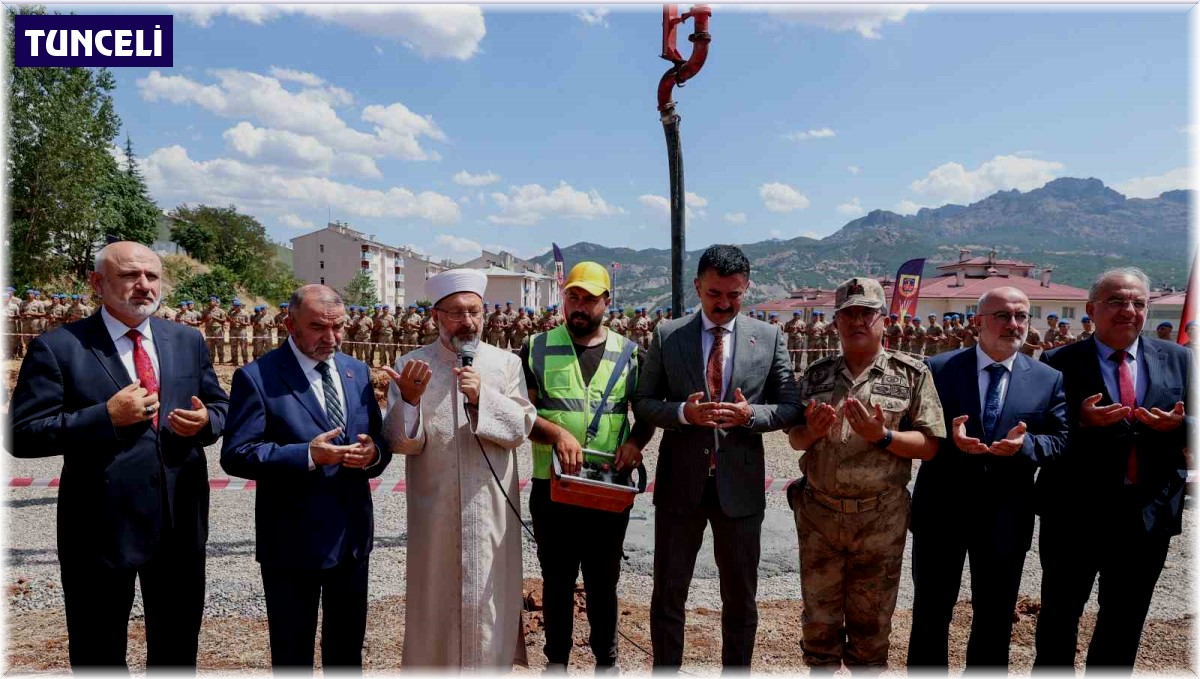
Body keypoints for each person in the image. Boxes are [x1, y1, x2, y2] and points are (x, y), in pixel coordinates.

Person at [8, 241, 229, 669]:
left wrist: (208, 424)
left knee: (177, 648)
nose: (144, 285)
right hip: (100, 530)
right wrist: (105, 417)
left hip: (178, 523)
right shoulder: (59, 347)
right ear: (98, 283)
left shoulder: (186, 340)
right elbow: (21, 434)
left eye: (152, 276)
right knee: (98, 652)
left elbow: (220, 406)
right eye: (130, 275)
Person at [634, 244, 802, 669]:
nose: (724, 304)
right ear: (697, 287)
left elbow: (790, 406)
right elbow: (643, 401)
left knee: (740, 598)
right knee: (669, 593)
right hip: (679, 487)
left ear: (746, 288)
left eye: (734, 295)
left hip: (741, 490)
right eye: (714, 295)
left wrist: (751, 416)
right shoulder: (668, 335)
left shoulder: (768, 337)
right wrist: (682, 414)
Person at [221, 284, 390, 671]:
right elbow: (237, 454)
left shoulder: (356, 371)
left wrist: (372, 453)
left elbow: (377, 440)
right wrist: (308, 455)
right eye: (318, 327)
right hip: (292, 543)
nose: (330, 338)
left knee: (346, 650)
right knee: (292, 651)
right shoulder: (258, 377)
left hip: (350, 539)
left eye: (338, 327)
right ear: (289, 324)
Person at [1034, 268, 1192, 672]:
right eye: (1117, 301)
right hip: (1075, 513)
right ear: (1091, 310)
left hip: (1147, 514)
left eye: (1138, 303)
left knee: (1125, 617)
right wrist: (1082, 421)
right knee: (1060, 615)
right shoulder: (1057, 361)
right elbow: (1043, 431)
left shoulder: (1179, 358)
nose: (1129, 311)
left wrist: (1180, 426)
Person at [380, 269, 537, 670]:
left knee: (490, 605)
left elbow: (520, 428)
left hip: (491, 514)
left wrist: (482, 395)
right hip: (436, 512)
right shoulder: (412, 365)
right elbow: (401, 442)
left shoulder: (505, 364)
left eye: (474, 312)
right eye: (456, 313)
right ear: (436, 317)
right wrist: (411, 402)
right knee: (437, 603)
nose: (467, 322)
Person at [787, 277, 945, 674]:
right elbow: (795, 440)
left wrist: (883, 435)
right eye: (848, 314)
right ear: (836, 322)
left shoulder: (911, 373)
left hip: (881, 518)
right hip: (820, 515)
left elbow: (930, 445)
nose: (857, 321)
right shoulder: (817, 375)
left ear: (884, 320)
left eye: (866, 313)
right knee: (819, 623)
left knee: (872, 624)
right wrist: (813, 432)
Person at [908, 287, 1068, 670]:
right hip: (942, 510)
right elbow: (912, 428)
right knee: (931, 611)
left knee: (995, 616)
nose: (1013, 324)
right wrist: (949, 439)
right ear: (978, 322)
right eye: (1003, 316)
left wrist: (1025, 445)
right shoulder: (938, 369)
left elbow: (1061, 440)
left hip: (1006, 515)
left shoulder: (1048, 378)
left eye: (1021, 316)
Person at [521, 261, 655, 673]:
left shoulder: (630, 354)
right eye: (573, 298)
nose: (579, 307)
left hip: (607, 490)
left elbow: (646, 412)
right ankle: (556, 663)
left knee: (602, 582)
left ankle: (606, 664)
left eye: (589, 299)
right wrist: (558, 435)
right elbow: (520, 412)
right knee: (557, 581)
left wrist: (635, 442)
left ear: (607, 302)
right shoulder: (536, 348)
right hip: (552, 488)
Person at [202, 296, 227, 364]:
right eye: (210, 301)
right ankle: (211, 360)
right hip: (209, 329)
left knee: (220, 345)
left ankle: (221, 360)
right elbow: (202, 320)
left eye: (213, 301)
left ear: (216, 302)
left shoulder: (221, 311)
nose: (211, 302)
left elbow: (223, 321)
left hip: (217, 329)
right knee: (210, 346)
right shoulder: (205, 311)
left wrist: (214, 318)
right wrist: (206, 319)